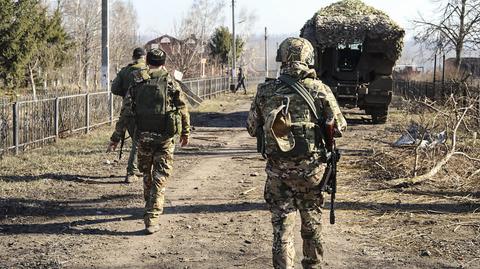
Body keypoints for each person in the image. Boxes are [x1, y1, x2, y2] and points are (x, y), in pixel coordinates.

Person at [247, 37, 347, 269]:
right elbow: (340, 127)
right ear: (308, 58)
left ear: (282, 58)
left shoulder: (266, 90)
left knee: (282, 229)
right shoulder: (320, 89)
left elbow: (252, 128)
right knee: (311, 227)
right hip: (311, 174)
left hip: (277, 175)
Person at [127, 48, 190, 234]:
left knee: (147, 175)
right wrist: (185, 132)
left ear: (147, 61)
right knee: (160, 177)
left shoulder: (137, 80)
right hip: (165, 137)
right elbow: (183, 107)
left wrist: (117, 136)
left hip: (144, 136)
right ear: (164, 62)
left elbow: (126, 110)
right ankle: (152, 217)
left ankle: (149, 205)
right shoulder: (170, 81)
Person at [107, 47, 147, 183]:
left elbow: (114, 88)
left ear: (133, 57)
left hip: (128, 111)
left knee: (138, 140)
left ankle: (136, 169)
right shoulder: (147, 70)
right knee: (138, 141)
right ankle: (132, 171)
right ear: (144, 57)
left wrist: (126, 93)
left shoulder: (125, 71)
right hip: (144, 111)